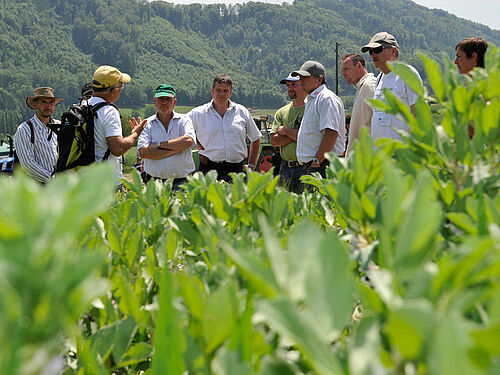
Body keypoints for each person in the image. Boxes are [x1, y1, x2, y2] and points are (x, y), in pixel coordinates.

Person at [189, 74, 261, 182]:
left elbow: (255, 138)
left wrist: (251, 165)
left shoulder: (242, 112)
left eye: (225, 91)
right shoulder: (198, 113)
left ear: (230, 92)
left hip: (236, 169)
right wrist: (199, 147)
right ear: (212, 90)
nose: (221, 94)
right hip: (209, 168)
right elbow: (183, 131)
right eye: (218, 90)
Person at [291, 60, 346, 185]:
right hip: (314, 165)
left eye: (305, 77)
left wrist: (316, 162)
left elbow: (331, 133)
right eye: (300, 77)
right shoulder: (312, 99)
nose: (301, 80)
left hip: (322, 165)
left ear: (319, 79)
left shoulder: (326, 98)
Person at [89, 65, 146, 186]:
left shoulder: (83, 106)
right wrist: (135, 133)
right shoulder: (109, 111)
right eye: (121, 87)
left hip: (84, 179)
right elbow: (117, 149)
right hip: (107, 182)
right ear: (113, 91)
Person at [362, 32, 423, 143]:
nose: (373, 55)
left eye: (377, 50)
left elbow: (419, 114)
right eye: (370, 52)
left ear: (393, 51)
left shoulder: (407, 73)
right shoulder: (380, 78)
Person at [137, 84, 196, 189]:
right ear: (155, 101)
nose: (164, 102)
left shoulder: (184, 120)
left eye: (168, 99)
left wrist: (157, 146)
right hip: (154, 182)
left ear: (175, 102)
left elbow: (188, 141)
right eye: (161, 99)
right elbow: (143, 152)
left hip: (183, 181)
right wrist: (175, 149)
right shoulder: (147, 123)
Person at [14, 87, 62, 183]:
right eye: (44, 102)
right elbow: (27, 164)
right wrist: (51, 179)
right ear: (35, 105)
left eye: (51, 102)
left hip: (58, 185)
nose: (48, 106)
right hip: (37, 188)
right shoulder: (24, 130)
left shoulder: (59, 126)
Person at [270, 73, 306, 193]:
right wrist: (298, 134)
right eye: (288, 85)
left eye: (294, 85)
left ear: (302, 85)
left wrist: (286, 131)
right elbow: (274, 141)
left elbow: (311, 138)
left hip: (305, 167)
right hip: (285, 168)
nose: (290, 88)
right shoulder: (281, 112)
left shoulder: (311, 109)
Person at [341, 53, 376, 155]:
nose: (343, 74)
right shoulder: (362, 87)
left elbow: (382, 119)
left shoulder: (369, 85)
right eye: (342, 70)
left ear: (359, 66)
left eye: (346, 69)